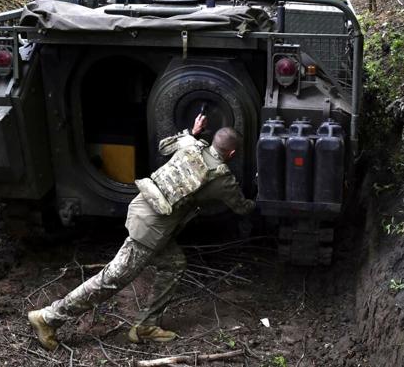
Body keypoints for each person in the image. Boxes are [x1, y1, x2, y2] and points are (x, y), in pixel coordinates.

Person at [27, 114, 255, 350]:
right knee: (111, 279)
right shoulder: (222, 178)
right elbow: (242, 207)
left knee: (173, 264)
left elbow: (164, 145)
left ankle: (146, 326)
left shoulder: (191, 144)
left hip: (143, 210)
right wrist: (258, 198)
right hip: (150, 231)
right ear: (232, 154)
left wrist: (193, 132)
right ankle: (48, 318)